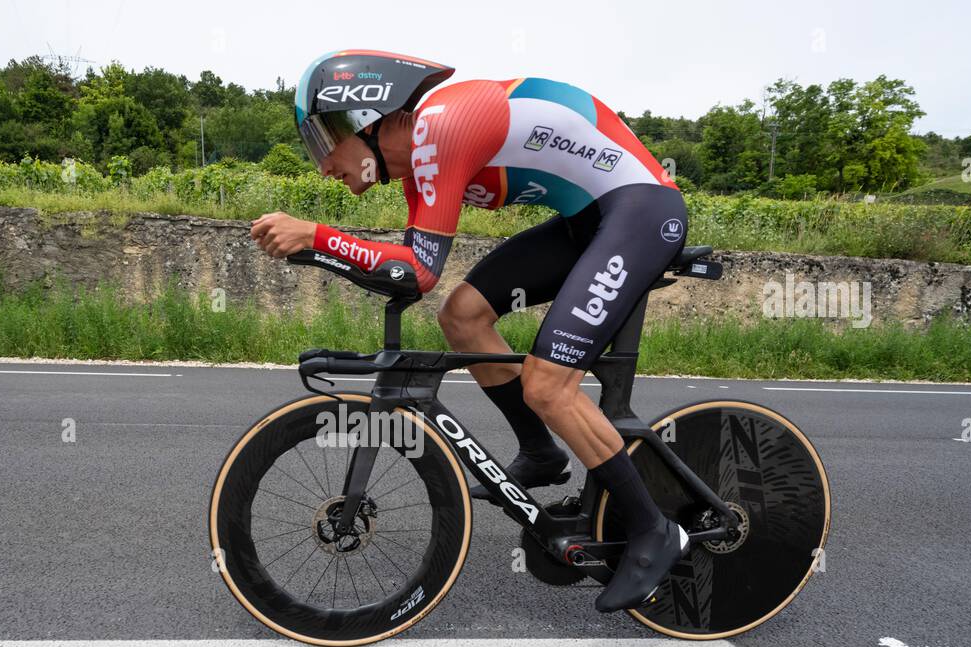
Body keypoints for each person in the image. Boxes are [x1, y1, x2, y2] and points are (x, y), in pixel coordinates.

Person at [251, 50, 690, 612]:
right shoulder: (417, 167)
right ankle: (540, 451)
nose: (323, 164)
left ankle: (655, 532)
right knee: (462, 316)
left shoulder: (442, 124)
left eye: (324, 139)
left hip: (641, 210)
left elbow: (417, 270)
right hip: (591, 221)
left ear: (370, 117)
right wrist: (322, 250)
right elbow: (410, 277)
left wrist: (317, 237)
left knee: (548, 383)